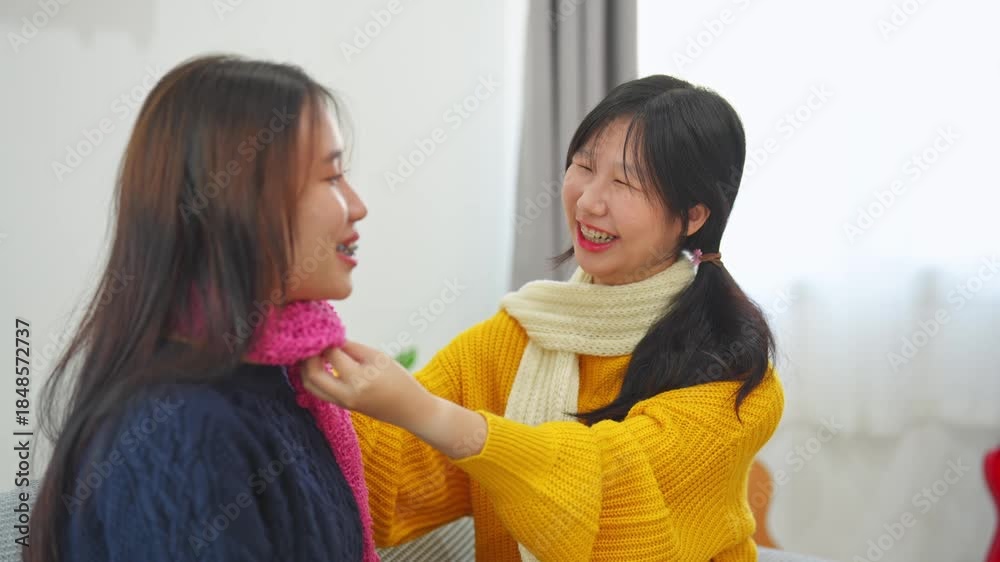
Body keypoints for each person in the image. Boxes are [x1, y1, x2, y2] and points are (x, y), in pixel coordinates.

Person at [301, 75, 785, 561]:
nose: (589, 201)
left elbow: (612, 497)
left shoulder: (734, 376)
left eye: (625, 183)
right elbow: (391, 480)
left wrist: (431, 414)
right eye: (584, 166)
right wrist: (297, 343)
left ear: (693, 216)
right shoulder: (514, 337)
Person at [29, 55, 371, 561]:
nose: (358, 206)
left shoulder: (276, 380)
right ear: (241, 201)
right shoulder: (179, 430)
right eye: (332, 177)